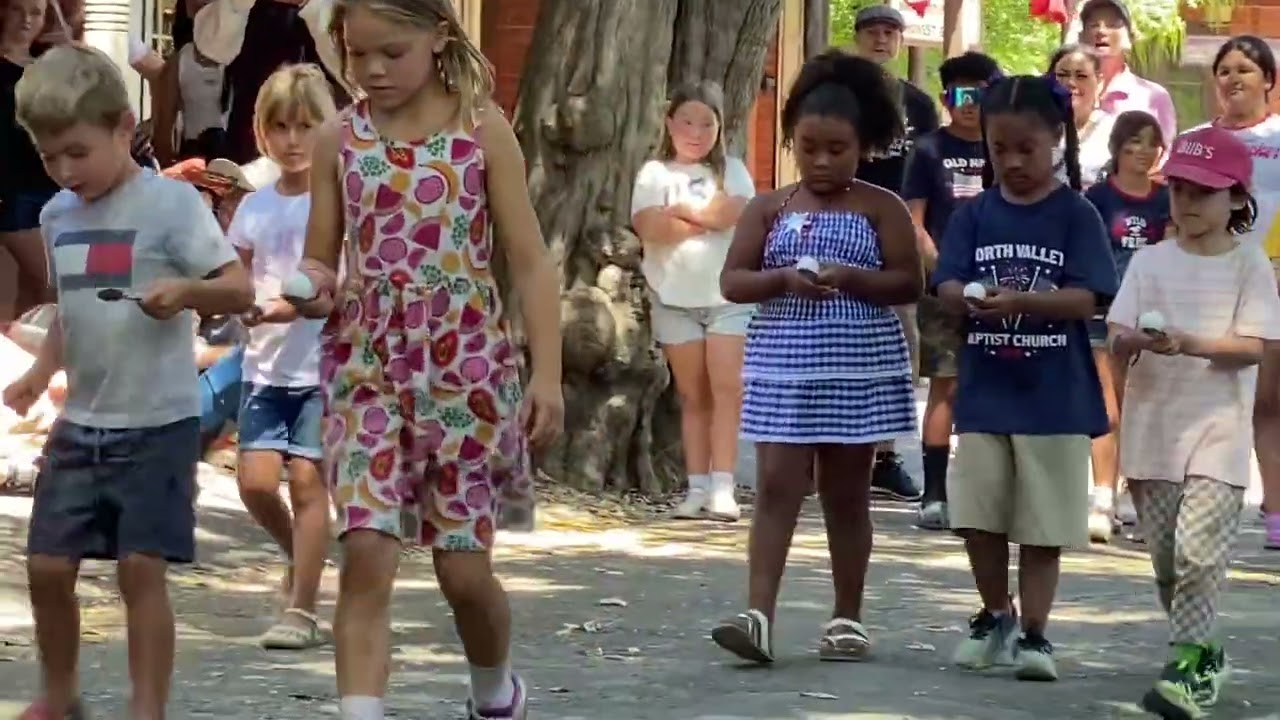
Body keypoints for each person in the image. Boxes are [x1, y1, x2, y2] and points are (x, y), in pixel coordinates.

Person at [291, 1, 562, 718]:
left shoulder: (481, 129)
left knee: (464, 574)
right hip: (366, 366)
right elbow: (322, 258)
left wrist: (547, 375)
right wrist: (312, 288)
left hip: (466, 371)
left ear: (439, 38)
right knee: (367, 552)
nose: (372, 70)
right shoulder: (337, 139)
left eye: (392, 52)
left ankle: (494, 690)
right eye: (357, 54)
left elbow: (531, 262)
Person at [2, 45, 253, 720]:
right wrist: (38, 372)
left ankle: (147, 708)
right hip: (81, 423)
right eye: (48, 155)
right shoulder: (57, 216)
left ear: (122, 127)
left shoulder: (171, 206)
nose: (63, 170)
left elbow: (239, 287)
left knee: (141, 570)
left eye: (77, 152)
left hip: (159, 424)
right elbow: (76, 313)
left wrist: (188, 292)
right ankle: (60, 693)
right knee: (49, 567)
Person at [711, 50, 920, 664]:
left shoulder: (882, 207)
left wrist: (853, 277)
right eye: (809, 147)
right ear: (792, 141)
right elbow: (733, 281)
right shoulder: (770, 207)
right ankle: (758, 617)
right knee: (777, 485)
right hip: (784, 367)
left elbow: (909, 282)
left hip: (854, 368)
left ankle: (847, 617)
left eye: (838, 149)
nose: (822, 161)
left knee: (846, 493)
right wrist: (781, 281)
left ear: (865, 146)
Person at [932, 74, 1117, 682]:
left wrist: (1022, 303)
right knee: (978, 517)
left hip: (1054, 400)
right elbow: (947, 283)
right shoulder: (973, 215)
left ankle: (1037, 634)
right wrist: (966, 297)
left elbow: (1089, 296)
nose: (1011, 162)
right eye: (999, 148)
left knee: (1043, 527)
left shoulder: (1076, 215)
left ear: (1056, 142)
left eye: (1026, 149)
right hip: (985, 396)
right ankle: (994, 614)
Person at [1106, 125, 1280, 719]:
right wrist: (1131, 343)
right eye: (1178, 189)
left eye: (1202, 192)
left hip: (1218, 435)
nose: (1187, 203)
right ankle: (1205, 651)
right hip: (1153, 433)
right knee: (1167, 562)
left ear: (1236, 197)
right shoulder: (1149, 262)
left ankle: (1186, 670)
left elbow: (1255, 347)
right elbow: (1117, 334)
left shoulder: (1250, 265)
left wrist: (1188, 343)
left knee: (1200, 554)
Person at [228, 63, 335, 650]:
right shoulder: (255, 206)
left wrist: (281, 307)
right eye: (280, 127)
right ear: (262, 131)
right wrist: (233, 302)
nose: (293, 140)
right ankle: (303, 554)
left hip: (322, 365)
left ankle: (303, 609)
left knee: (307, 482)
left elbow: (328, 284)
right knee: (256, 482)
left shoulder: (333, 203)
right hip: (263, 367)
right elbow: (237, 274)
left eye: (305, 125)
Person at [631, 81, 755, 522]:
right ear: (669, 122)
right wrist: (705, 220)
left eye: (707, 123)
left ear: (721, 128)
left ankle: (724, 485)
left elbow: (734, 214)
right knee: (692, 393)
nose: (696, 131)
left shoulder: (733, 170)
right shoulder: (653, 174)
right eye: (686, 120)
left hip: (727, 298)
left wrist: (682, 212)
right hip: (673, 298)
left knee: (727, 389)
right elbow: (650, 228)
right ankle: (696, 486)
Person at [902, 50, 1000, 531]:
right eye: (962, 94)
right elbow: (914, 221)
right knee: (946, 384)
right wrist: (944, 273)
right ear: (946, 98)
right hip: (942, 285)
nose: (971, 105)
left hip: (1001, 286)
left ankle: (985, 492)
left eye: (981, 95)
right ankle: (934, 493)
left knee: (990, 387)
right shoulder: (927, 149)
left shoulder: (1004, 147)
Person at [849, 2, 937, 502]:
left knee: (898, 344)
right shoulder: (838, 95)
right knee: (834, 338)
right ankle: (831, 452)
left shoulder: (919, 106)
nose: (881, 39)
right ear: (858, 38)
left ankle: (884, 455)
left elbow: (927, 172)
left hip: (896, 228)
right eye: (873, 31)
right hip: (842, 221)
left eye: (890, 32)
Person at [1082, 110, 1169, 543]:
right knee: (1108, 409)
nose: (1143, 151)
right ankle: (1102, 497)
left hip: (1151, 319)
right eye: (1134, 141)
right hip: (1102, 313)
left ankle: (1140, 499)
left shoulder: (1166, 199)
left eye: (1152, 142)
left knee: (1141, 412)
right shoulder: (1097, 198)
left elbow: (1173, 254)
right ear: (1117, 147)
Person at [1207, 35, 1280, 550]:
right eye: (1225, 70)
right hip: (1205, 283)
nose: (1234, 79)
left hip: (1273, 281)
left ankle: (1276, 514)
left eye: (1247, 70)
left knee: (1268, 404)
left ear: (1270, 82)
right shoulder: (1195, 140)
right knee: (1205, 402)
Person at [192, 0, 348, 164]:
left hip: (328, 145)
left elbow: (352, 70)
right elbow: (211, 48)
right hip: (253, 143)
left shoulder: (336, 10)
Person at [0, 0, 57, 324]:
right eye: (18, 9)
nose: (26, 20)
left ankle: (23, 368)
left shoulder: (47, 67)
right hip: (12, 194)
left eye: (35, 12)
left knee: (31, 297)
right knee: (53, 286)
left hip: (47, 188)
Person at [1077, 0, 1177, 147]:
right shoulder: (1066, 91)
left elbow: (1164, 155)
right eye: (1093, 25)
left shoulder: (1153, 96)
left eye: (1112, 25)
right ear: (1081, 38)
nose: (1101, 32)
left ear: (1131, 38)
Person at [1049, 44, 1114, 189]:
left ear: (1100, 82)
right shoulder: (1032, 129)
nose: (1070, 83)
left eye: (1081, 76)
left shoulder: (1115, 130)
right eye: (1062, 75)